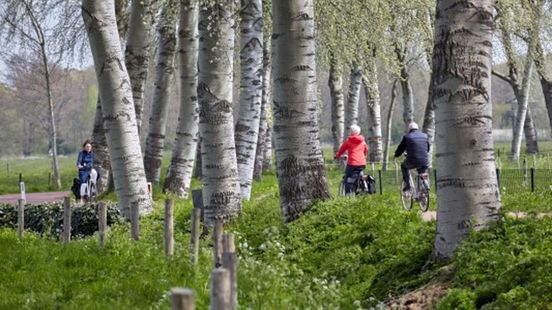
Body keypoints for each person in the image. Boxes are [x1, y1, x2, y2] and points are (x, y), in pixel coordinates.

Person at [394, 122, 430, 192]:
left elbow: (401, 148)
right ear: (417, 128)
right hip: (424, 161)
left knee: (404, 166)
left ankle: (408, 185)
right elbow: (427, 148)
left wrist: (396, 154)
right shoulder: (425, 136)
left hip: (413, 161)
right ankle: (422, 190)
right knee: (421, 172)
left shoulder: (407, 137)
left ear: (409, 129)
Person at [335, 124, 368, 195]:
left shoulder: (348, 141)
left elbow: (341, 150)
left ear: (351, 132)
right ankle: (361, 188)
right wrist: (363, 157)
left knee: (347, 178)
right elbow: (365, 151)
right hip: (362, 163)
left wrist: (337, 156)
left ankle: (348, 195)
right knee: (360, 175)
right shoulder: (363, 142)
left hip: (352, 163)